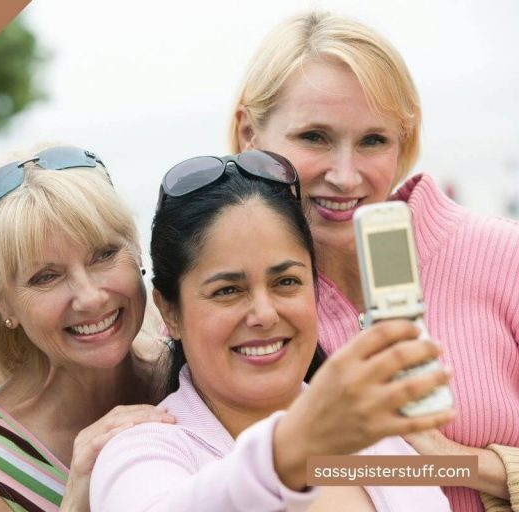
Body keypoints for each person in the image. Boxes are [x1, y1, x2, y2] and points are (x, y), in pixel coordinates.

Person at [228, 11, 519, 512]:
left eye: (373, 140)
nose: (345, 176)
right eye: (314, 137)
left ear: (403, 143)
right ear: (250, 134)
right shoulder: (233, 304)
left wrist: (454, 459)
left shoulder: (504, 255)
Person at [90, 151, 453, 511]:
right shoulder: (140, 451)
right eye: (227, 290)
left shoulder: (380, 440)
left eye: (286, 281)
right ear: (170, 311)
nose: (264, 314)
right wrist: (292, 448)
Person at [0, 145, 174, 511]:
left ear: (137, 248)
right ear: (0, 300)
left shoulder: (194, 370)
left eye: (104, 255)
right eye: (46, 276)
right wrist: (77, 499)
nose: (90, 298)